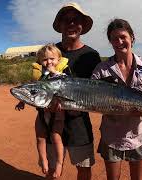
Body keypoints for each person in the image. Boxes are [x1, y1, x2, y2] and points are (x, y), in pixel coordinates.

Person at [35, 2, 101, 180]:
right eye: (66, 20)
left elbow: (97, 91)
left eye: (76, 19)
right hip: (50, 120)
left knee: (84, 169)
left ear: (82, 24)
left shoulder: (91, 56)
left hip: (79, 124)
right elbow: (39, 83)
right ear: (61, 25)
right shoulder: (50, 53)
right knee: (51, 171)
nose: (71, 24)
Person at [91, 18, 142, 180]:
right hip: (111, 137)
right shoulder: (101, 70)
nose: (119, 41)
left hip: (139, 135)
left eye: (123, 36)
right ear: (110, 42)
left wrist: (141, 110)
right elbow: (93, 99)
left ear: (132, 37)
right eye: (114, 39)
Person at [15, 43, 69, 178]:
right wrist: (22, 101)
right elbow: (31, 91)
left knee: (56, 137)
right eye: (45, 60)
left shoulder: (61, 73)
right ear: (40, 61)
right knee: (40, 137)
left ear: (58, 59)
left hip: (58, 114)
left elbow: (68, 83)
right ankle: (44, 160)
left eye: (52, 59)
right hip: (42, 113)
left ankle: (59, 163)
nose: (49, 62)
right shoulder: (39, 75)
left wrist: (54, 72)